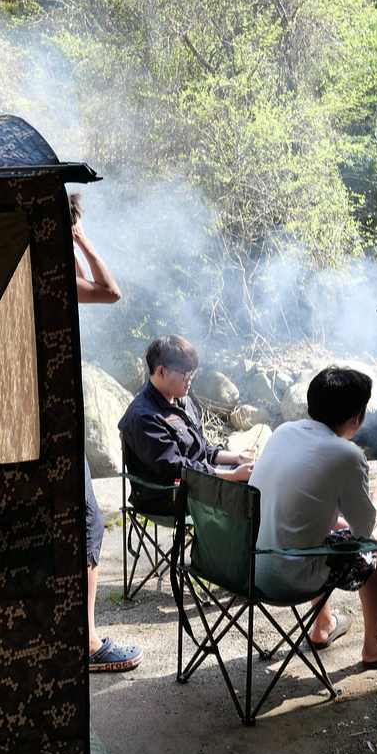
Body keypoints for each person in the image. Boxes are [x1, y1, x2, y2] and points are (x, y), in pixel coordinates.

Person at [251, 366, 377, 669]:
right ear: (357, 417)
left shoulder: (284, 432)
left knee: (324, 528)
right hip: (288, 578)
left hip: (249, 567)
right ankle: (376, 645)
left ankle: (323, 626)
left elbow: (307, 507)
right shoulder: (346, 454)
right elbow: (364, 531)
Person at [72, 192, 144, 674]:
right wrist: (79, 237)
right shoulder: (48, 270)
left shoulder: (23, 263)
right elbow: (111, 291)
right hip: (50, 418)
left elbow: (96, 285)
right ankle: (88, 643)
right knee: (89, 522)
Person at [118, 334, 255, 514]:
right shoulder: (143, 416)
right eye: (186, 374)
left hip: (195, 483)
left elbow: (201, 448)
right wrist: (233, 476)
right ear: (161, 372)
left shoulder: (183, 401)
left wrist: (237, 458)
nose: (190, 379)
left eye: (193, 373)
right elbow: (175, 468)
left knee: (258, 473)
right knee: (250, 491)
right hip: (168, 496)